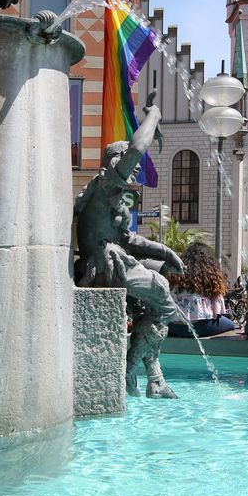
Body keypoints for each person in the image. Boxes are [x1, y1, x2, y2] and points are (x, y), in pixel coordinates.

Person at [75, 90, 182, 399]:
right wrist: (154, 116)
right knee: (162, 295)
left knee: (153, 303)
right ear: (115, 163)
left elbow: (128, 239)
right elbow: (137, 149)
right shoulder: (105, 186)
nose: (136, 168)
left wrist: (164, 250)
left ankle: (152, 377)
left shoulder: (110, 199)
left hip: (112, 259)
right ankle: (131, 370)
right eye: (130, 165)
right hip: (105, 264)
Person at [167, 242, 235, 338]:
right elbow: (216, 313)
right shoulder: (209, 277)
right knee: (231, 325)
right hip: (199, 327)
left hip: (174, 326)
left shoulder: (175, 275)